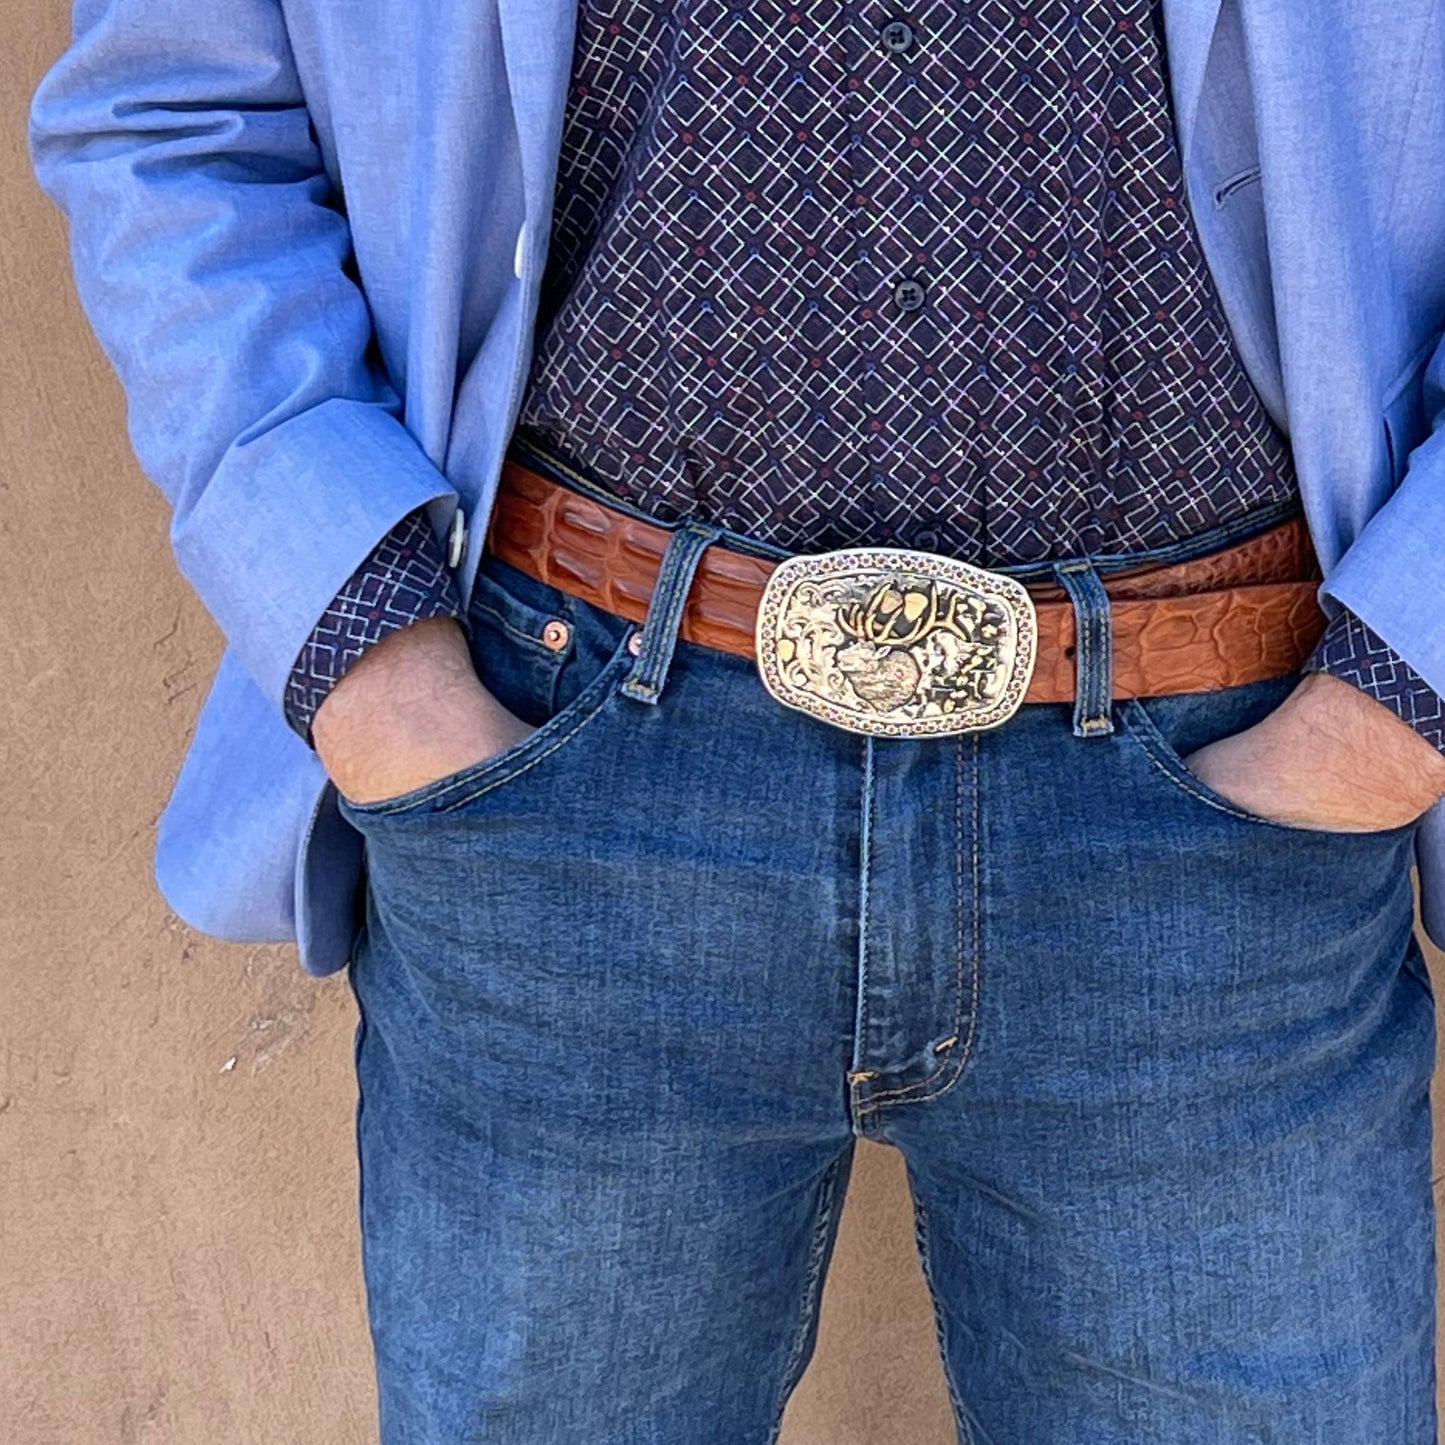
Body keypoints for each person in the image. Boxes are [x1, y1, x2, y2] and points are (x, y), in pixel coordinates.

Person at [26, 0, 1445, 1439]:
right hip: (565, 788)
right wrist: (372, 660)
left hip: (1221, 823)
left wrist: (1391, 699)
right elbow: (177, 112)